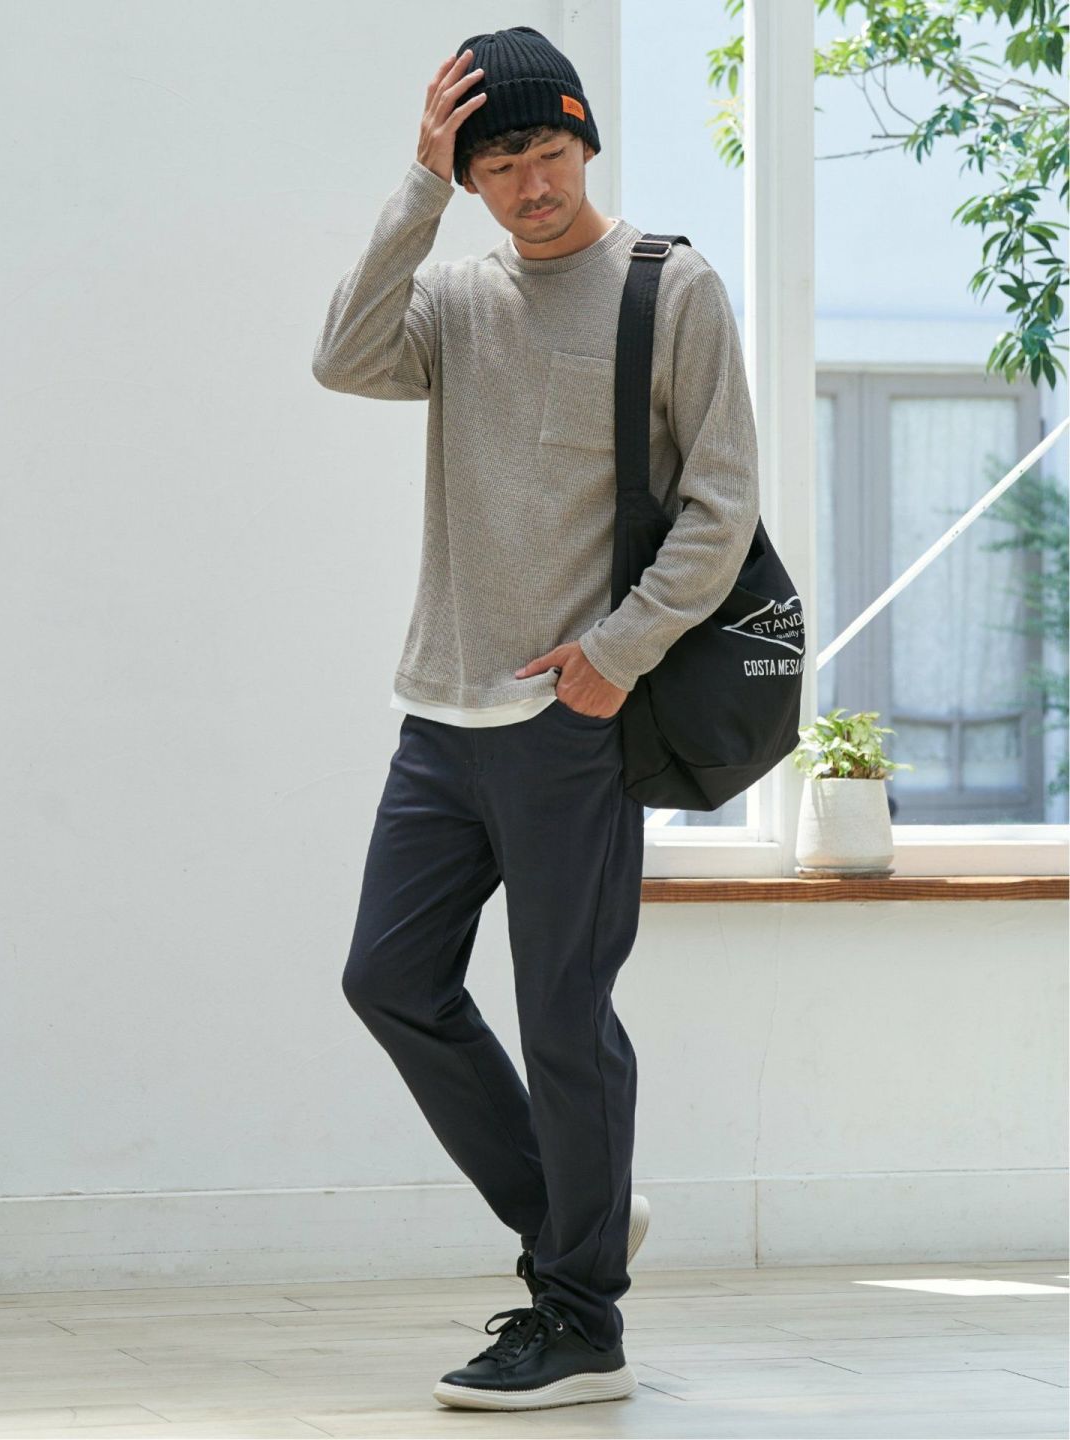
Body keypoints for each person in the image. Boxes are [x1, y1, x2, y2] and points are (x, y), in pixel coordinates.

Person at [311, 25, 759, 1413]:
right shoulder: (455, 299)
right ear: (471, 177)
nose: (532, 185)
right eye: (497, 164)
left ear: (585, 143)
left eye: (549, 152)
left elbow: (722, 505)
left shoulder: (668, 288)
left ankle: (580, 1322)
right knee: (389, 979)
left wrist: (618, 657)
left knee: (564, 1019)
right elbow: (342, 357)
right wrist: (414, 184)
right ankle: (580, 1219)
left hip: (574, 723)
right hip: (440, 717)